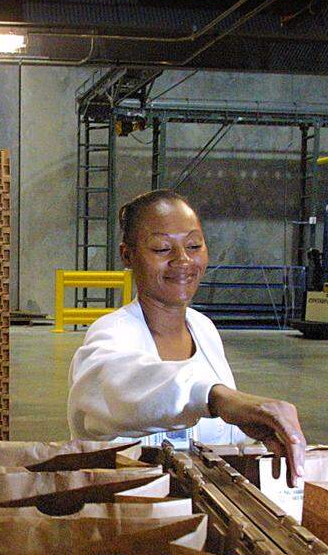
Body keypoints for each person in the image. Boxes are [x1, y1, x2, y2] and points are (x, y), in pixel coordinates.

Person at [67, 189, 306, 483]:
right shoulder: (111, 333)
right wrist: (216, 397)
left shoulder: (203, 329)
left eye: (194, 245)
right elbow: (118, 385)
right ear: (127, 255)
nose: (183, 261)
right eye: (161, 249)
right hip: (132, 511)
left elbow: (225, 437)